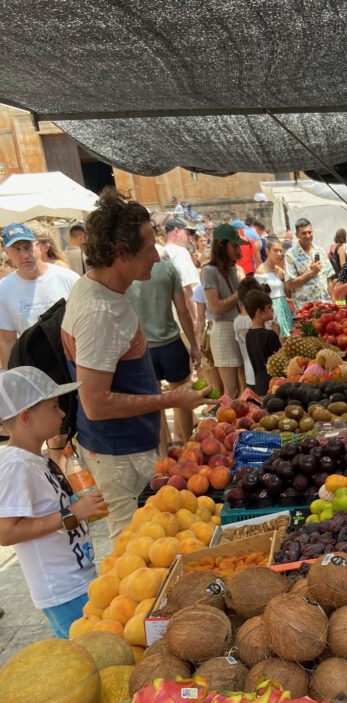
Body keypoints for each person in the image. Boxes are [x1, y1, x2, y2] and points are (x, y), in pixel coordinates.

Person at [60, 187, 210, 541]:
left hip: (128, 450)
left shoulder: (105, 292)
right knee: (135, 553)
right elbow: (95, 404)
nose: (156, 257)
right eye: (148, 248)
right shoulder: (99, 312)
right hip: (117, 456)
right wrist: (171, 400)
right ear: (120, 253)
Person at [0, 366, 105, 637]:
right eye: (54, 407)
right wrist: (72, 514)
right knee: (85, 657)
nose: (62, 413)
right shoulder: (15, 465)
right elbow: (6, 532)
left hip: (79, 578)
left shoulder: (38, 458)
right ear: (26, 417)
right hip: (62, 590)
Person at [126, 237, 200, 445]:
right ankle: (188, 445)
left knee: (154, 402)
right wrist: (194, 344)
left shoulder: (128, 273)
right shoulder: (167, 269)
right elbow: (182, 310)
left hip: (142, 347)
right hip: (170, 343)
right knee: (182, 398)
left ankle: (164, 452)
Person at [0, 223, 79, 369]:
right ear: (7, 252)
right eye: (17, 249)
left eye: (28, 247)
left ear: (37, 246)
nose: (25, 255)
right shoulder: (3, 289)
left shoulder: (68, 278)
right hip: (34, 368)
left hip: (74, 361)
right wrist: (10, 378)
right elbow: (6, 340)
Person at [201, 223, 246, 397]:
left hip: (238, 327)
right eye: (234, 245)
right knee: (231, 391)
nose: (237, 250)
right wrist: (240, 293)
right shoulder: (209, 271)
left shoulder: (234, 268)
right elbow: (216, 307)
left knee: (245, 388)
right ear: (221, 245)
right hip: (223, 330)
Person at [284, 218, 335, 306]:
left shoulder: (320, 250)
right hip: (306, 310)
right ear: (297, 235)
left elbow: (328, 279)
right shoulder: (290, 255)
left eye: (309, 232)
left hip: (325, 305)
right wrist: (311, 273)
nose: (308, 236)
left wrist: (333, 301)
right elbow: (289, 284)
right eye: (304, 233)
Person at [244, 289, 281, 395]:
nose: (272, 310)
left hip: (259, 384)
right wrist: (276, 334)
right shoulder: (270, 335)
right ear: (259, 312)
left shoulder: (248, 334)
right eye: (269, 307)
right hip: (273, 384)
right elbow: (280, 360)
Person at [163, 217, 200, 319]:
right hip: (188, 315)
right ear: (176, 231)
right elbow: (186, 288)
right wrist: (196, 318)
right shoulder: (180, 252)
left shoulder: (163, 251)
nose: (190, 238)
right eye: (187, 233)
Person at [255, 237, 293, 336]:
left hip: (284, 307)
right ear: (267, 251)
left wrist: (283, 278)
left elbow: (288, 293)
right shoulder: (260, 271)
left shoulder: (279, 270)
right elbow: (259, 297)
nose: (279, 254)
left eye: (281, 251)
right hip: (272, 309)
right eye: (275, 251)